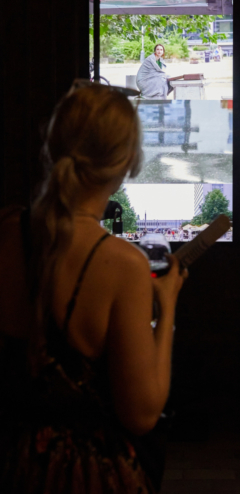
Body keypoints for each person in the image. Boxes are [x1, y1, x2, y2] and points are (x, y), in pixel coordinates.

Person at [0, 82, 188, 493]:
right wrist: (168, 305)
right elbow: (141, 413)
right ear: (128, 162)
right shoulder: (123, 265)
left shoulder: (8, 233)